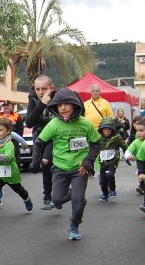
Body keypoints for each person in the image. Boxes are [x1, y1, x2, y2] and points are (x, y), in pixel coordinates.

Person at [34, 88, 101, 240]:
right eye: (59, 105)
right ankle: (77, 197)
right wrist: (35, 161)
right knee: (57, 199)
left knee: (77, 201)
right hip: (59, 168)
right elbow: (39, 142)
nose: (63, 108)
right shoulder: (54, 124)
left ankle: (74, 226)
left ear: (75, 105)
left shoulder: (85, 124)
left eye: (66, 104)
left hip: (80, 169)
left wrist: (88, 160)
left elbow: (97, 142)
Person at [0, 118, 33, 217]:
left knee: (18, 189)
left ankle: (26, 199)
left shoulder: (9, 144)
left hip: (10, 172)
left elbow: (9, 157)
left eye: (1, 130)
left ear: (8, 131)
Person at [26, 74, 57, 209]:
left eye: (43, 89)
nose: (40, 92)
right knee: (45, 164)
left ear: (51, 88)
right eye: (37, 89)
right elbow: (29, 122)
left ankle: (61, 192)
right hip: (41, 138)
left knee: (57, 165)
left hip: (58, 137)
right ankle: (47, 197)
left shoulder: (59, 98)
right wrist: (41, 104)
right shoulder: (33, 99)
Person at [96, 117, 128, 202]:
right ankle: (105, 194)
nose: (107, 131)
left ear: (112, 130)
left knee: (109, 175)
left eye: (109, 129)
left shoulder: (116, 137)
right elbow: (93, 149)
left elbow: (124, 146)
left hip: (113, 161)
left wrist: (127, 156)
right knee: (102, 181)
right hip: (103, 162)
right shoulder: (98, 138)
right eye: (105, 129)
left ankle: (113, 190)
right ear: (101, 130)